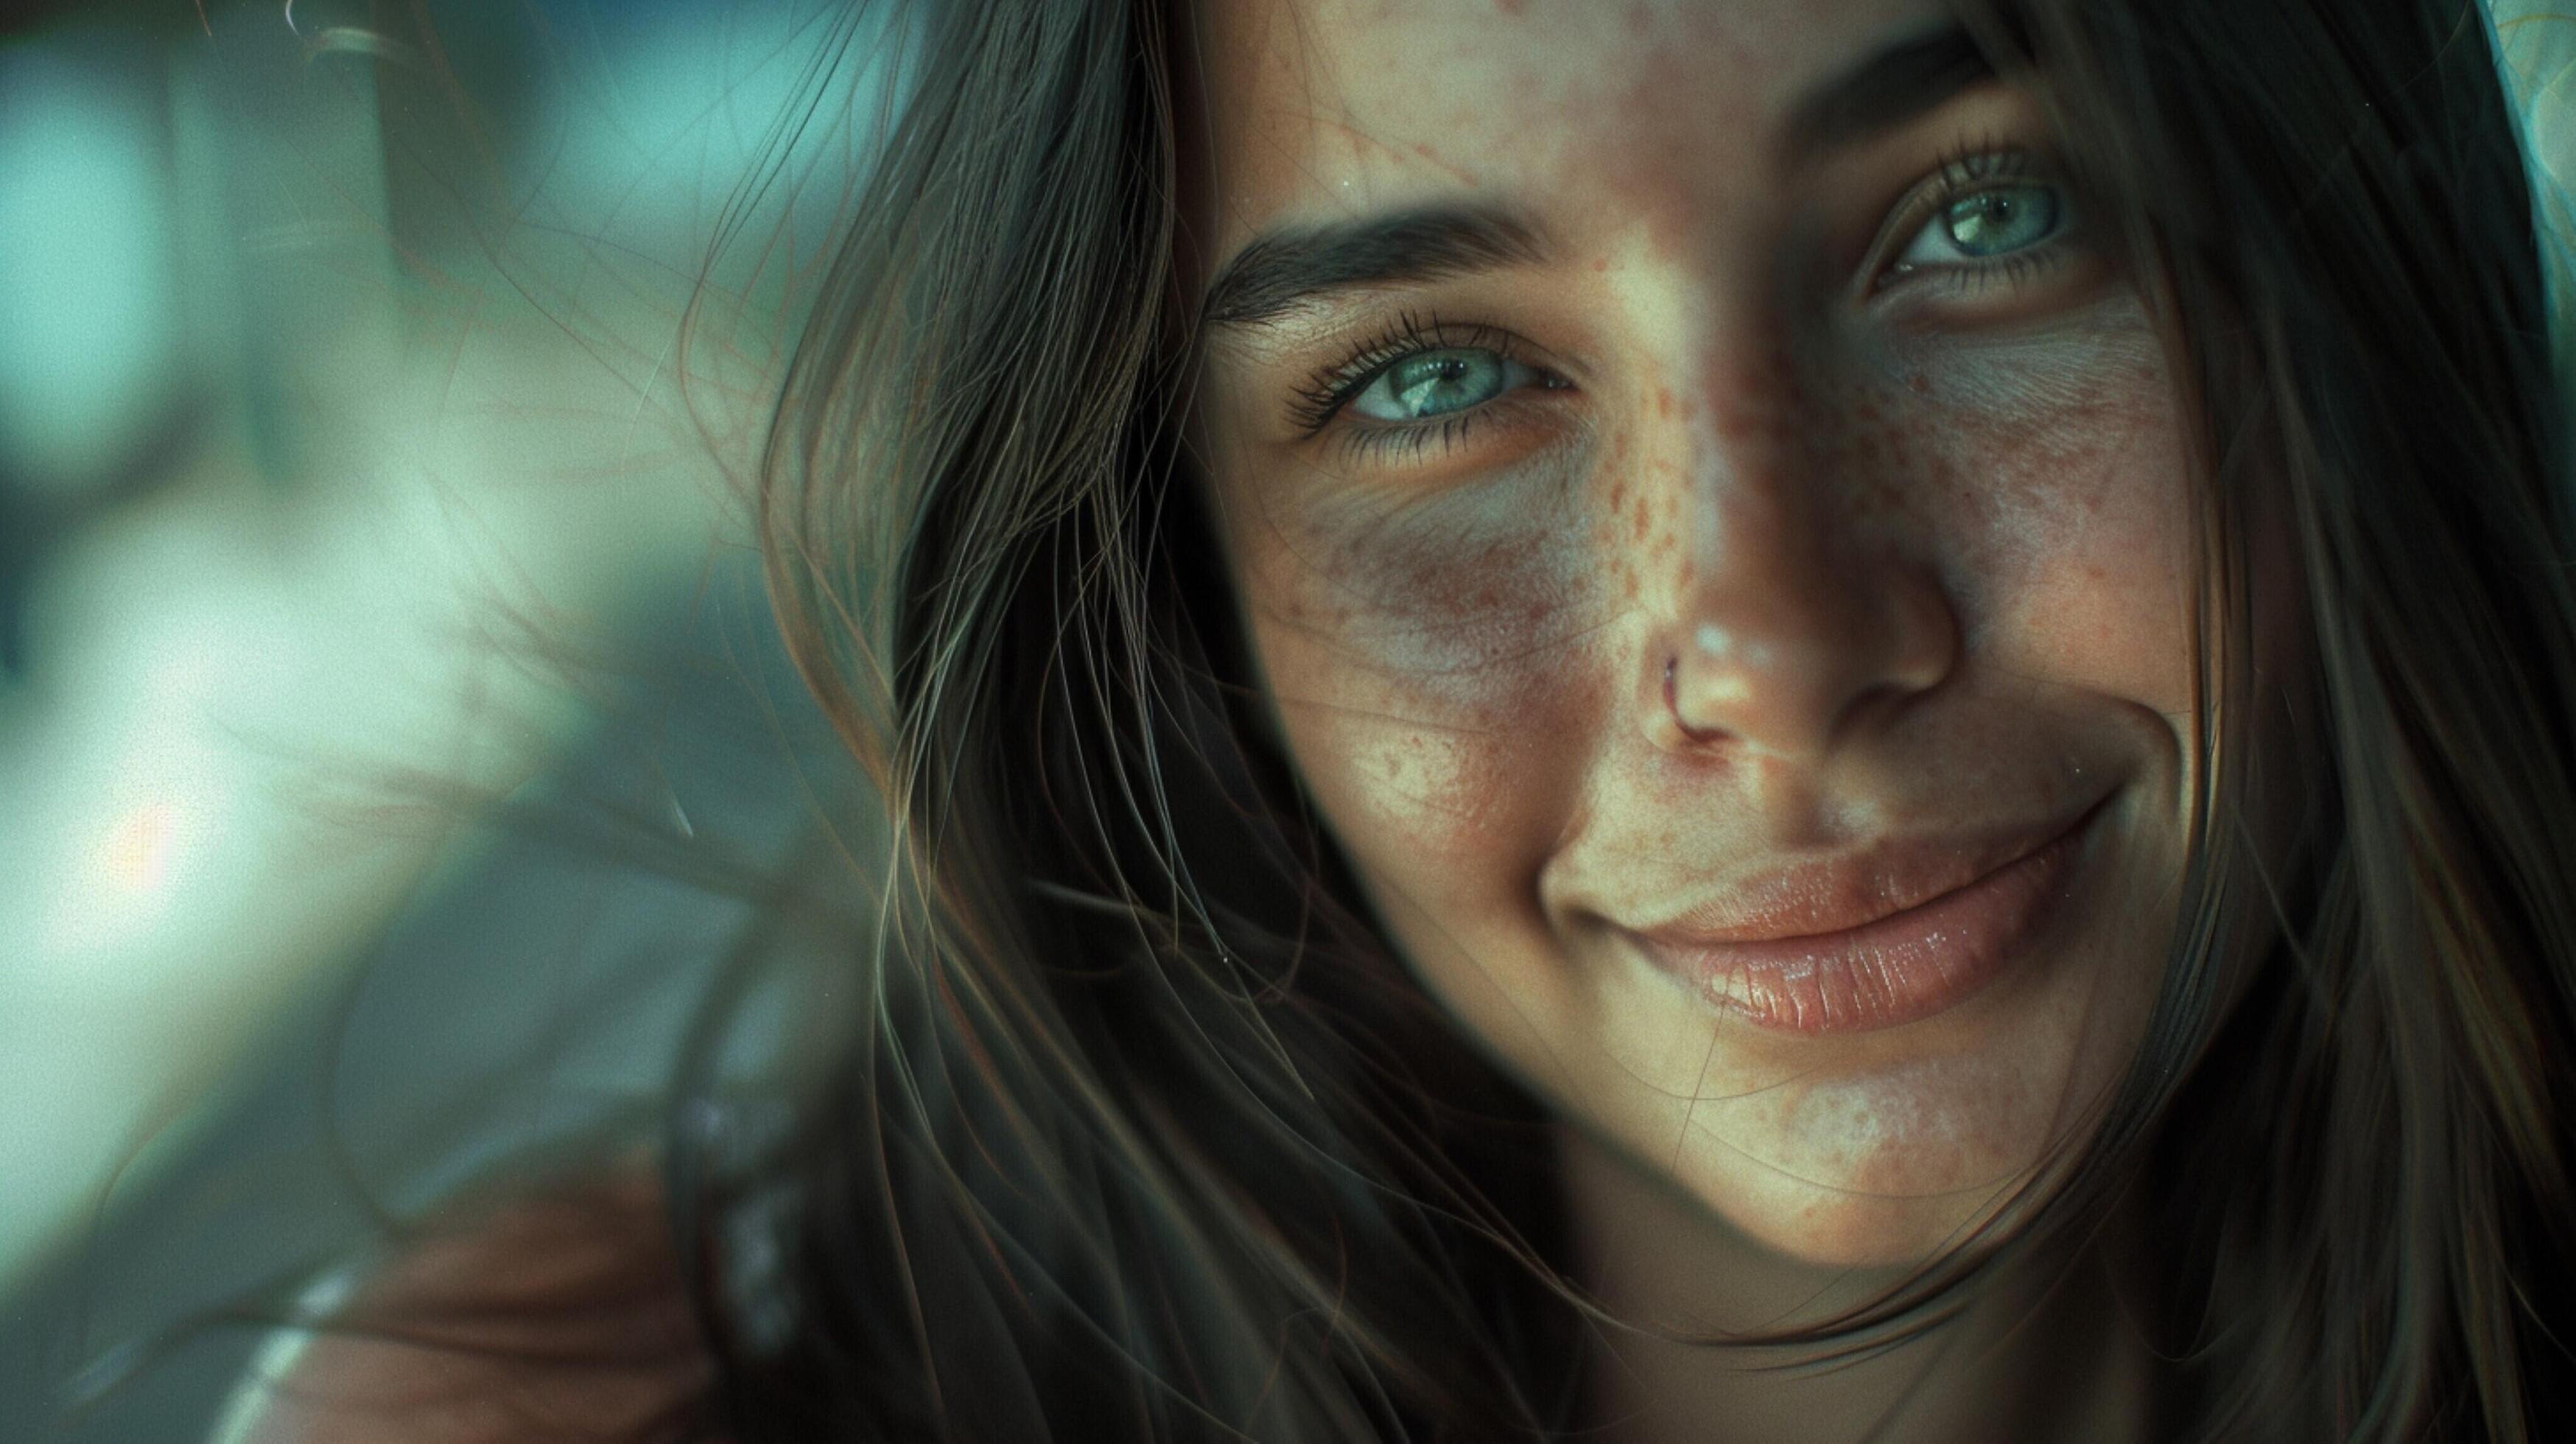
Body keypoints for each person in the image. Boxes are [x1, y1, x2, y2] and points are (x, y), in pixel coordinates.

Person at [225, 0, 2576, 1438]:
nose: (1764, 640)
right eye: (1433, 380)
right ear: (1189, 589)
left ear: (2340, 274)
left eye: (1978, 221)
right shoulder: (573, 1414)